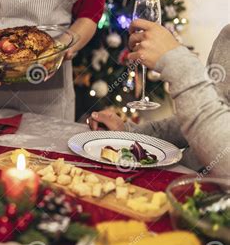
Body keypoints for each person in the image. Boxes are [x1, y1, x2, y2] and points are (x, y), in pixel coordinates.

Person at [89, 19, 230, 177]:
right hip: (181, 181)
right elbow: (206, 119)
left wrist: (177, 61)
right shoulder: (227, 36)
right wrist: (130, 133)